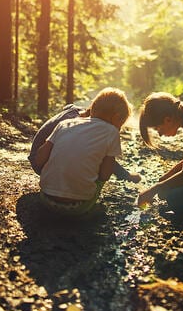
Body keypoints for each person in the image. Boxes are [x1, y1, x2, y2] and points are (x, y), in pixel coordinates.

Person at [34, 87, 140, 216]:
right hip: (79, 207)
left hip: (45, 199)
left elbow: (39, 159)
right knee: (100, 174)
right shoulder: (111, 132)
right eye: (121, 124)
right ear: (116, 117)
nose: (119, 129)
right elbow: (105, 175)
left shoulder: (65, 124)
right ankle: (84, 198)